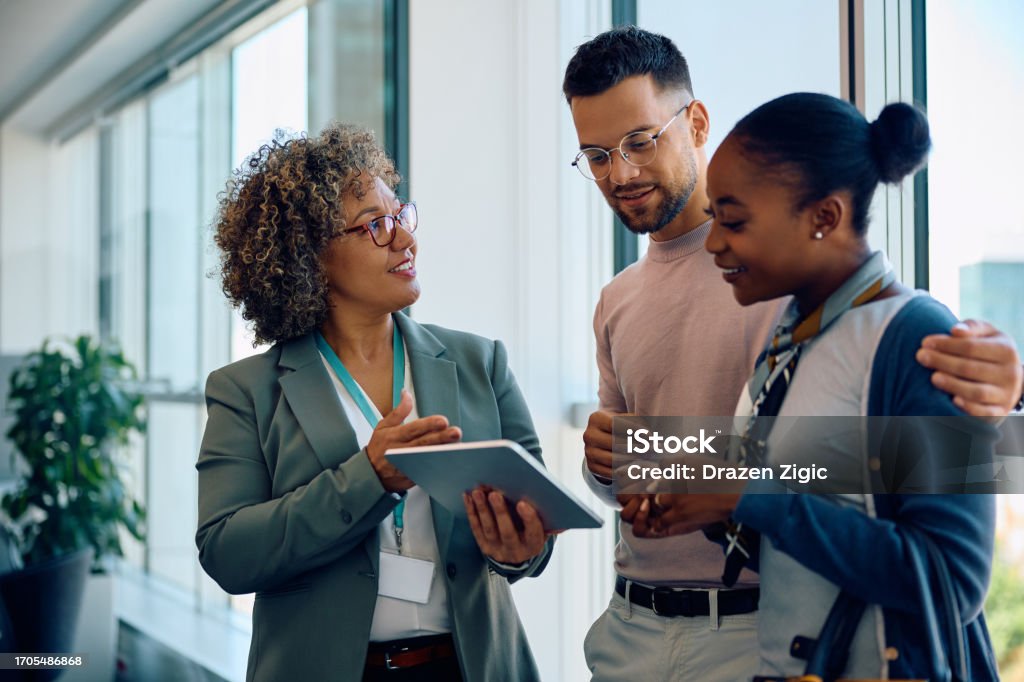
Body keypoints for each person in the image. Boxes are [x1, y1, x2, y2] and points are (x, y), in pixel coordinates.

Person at [563, 26, 1022, 681]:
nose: (622, 171)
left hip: (760, 632)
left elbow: (931, 505)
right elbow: (801, 468)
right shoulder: (784, 328)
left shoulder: (865, 319)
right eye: (598, 155)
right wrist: (619, 466)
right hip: (653, 631)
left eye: (639, 141)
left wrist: (1013, 388)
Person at [195, 124, 554, 682]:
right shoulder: (246, 391)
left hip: (471, 667)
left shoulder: (480, 363)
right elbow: (228, 553)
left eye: (401, 216)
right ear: (309, 256)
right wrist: (369, 477)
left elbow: (534, 529)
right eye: (375, 226)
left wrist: (520, 549)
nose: (405, 241)